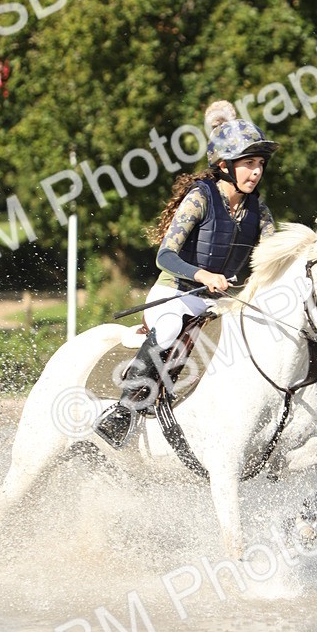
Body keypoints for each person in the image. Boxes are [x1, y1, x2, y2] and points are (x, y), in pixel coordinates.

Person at [94, 99, 279, 447]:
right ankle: (125, 410)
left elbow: (273, 258)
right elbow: (165, 256)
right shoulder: (200, 198)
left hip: (221, 302)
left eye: (260, 164)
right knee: (166, 331)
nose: (256, 172)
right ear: (225, 166)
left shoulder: (260, 211)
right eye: (248, 163)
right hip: (177, 293)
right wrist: (203, 276)